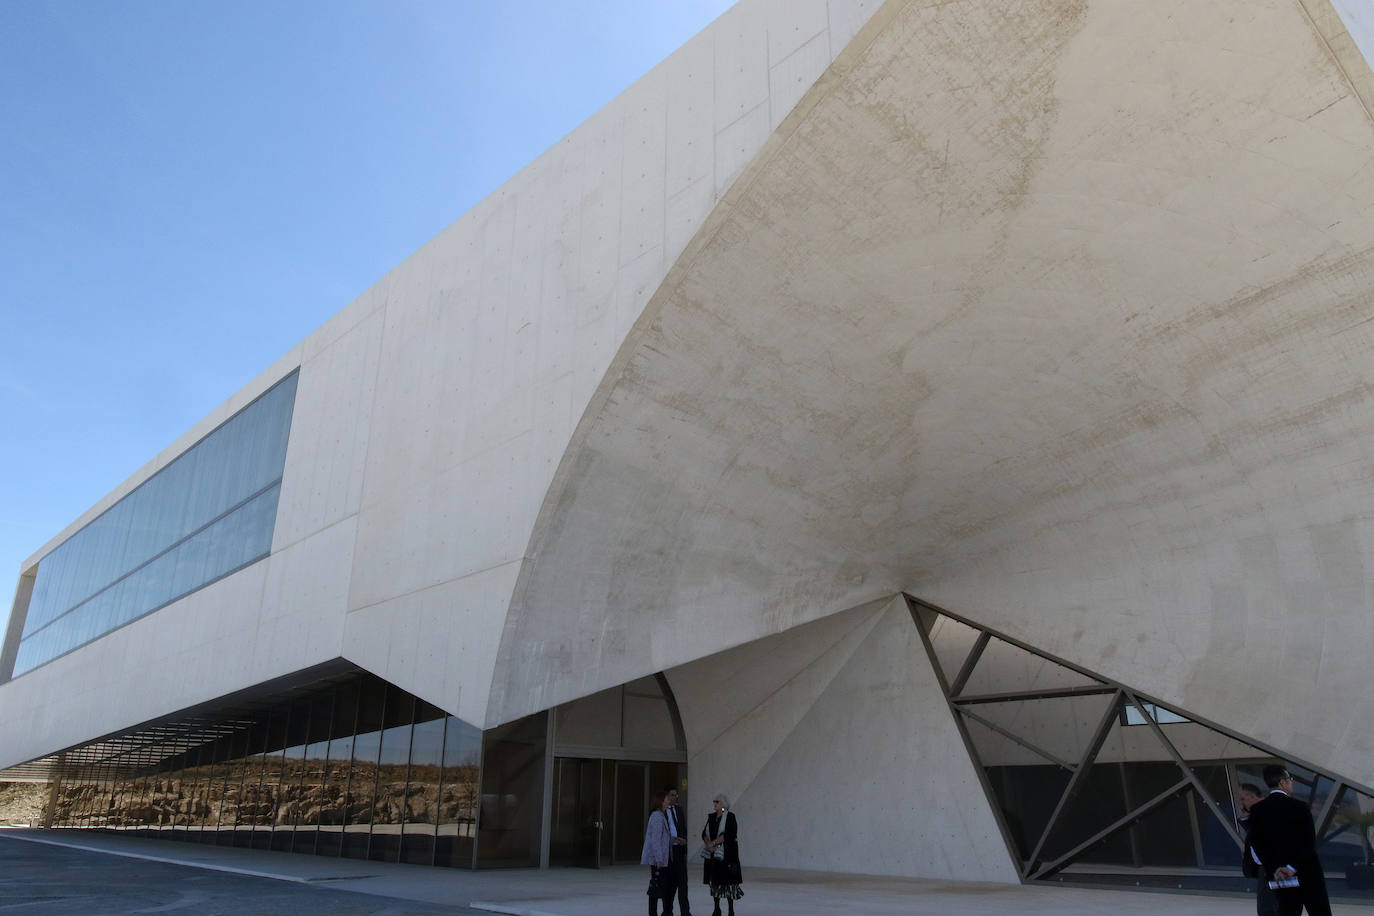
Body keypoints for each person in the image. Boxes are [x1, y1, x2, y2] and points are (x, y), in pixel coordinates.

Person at [1246, 765, 1332, 916]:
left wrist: (1275, 869)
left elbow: (1257, 845)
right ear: (1282, 782)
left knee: (1288, 911)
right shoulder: (1300, 807)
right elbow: (1309, 843)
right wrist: (1292, 867)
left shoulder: (1257, 810)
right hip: (1308, 873)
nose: (1292, 783)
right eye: (1290, 779)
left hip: (1280, 877)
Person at [1239, 782, 1279, 916]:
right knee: (1266, 907)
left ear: (1251, 797)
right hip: (1264, 868)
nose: (1242, 803)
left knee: (1271, 907)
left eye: (1243, 799)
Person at [701, 793, 743, 916]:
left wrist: (713, 843)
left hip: (727, 856)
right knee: (715, 883)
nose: (714, 804)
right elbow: (704, 833)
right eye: (714, 801)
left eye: (717, 801)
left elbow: (729, 834)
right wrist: (709, 844)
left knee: (729, 884)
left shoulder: (730, 817)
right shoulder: (712, 817)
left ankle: (731, 910)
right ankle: (716, 908)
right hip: (713, 856)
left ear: (723, 804)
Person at [641, 790, 673, 916]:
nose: (668, 801)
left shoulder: (661, 815)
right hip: (658, 860)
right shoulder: (657, 816)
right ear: (661, 802)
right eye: (666, 799)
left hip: (661, 859)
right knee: (656, 887)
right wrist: (659, 860)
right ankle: (653, 913)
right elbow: (655, 840)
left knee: (658, 886)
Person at [663, 786, 693, 916]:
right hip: (668, 852)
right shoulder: (661, 812)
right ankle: (667, 911)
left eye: (676, 795)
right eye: (672, 795)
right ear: (667, 796)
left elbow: (683, 828)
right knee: (669, 885)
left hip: (680, 852)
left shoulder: (679, 810)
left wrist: (684, 840)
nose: (675, 797)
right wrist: (674, 839)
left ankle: (685, 912)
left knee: (683, 884)